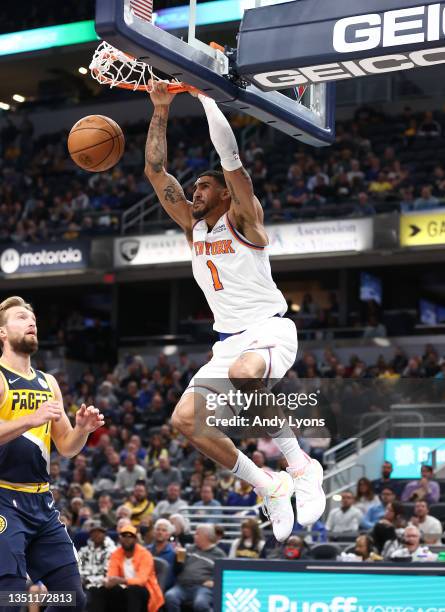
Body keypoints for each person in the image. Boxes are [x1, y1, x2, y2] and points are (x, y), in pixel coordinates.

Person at [144, 82, 325, 542]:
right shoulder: (193, 227)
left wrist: (204, 97)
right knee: (185, 421)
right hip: (226, 342)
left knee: (247, 372)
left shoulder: (244, 218)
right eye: (195, 187)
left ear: (226, 194)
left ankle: (301, 465)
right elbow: (154, 169)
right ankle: (270, 486)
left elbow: (230, 156)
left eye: (204, 186)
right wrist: (162, 108)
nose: (195, 190)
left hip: (269, 329)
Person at [0, 296, 105, 612]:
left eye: (32, 319)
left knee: (72, 598)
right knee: (10, 598)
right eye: (20, 318)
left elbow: (66, 447)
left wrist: (82, 430)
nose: (31, 322)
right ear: (2, 333)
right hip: (4, 498)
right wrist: (30, 419)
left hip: (41, 502)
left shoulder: (49, 383)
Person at [164, 524, 226, 612]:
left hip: (202, 587)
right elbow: (177, 570)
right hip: (182, 586)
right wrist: (178, 558)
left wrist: (214, 582)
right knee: (170, 596)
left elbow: (224, 575)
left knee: (200, 603)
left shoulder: (219, 554)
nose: (194, 536)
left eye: (197, 534)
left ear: (206, 536)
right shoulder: (189, 549)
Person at [104, 523, 164, 612]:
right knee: (110, 590)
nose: (127, 539)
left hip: (146, 590)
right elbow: (112, 575)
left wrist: (121, 580)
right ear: (120, 539)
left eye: (130, 536)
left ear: (135, 539)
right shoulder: (116, 554)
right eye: (124, 536)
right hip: (125, 589)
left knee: (133, 590)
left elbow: (141, 580)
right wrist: (109, 581)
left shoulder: (145, 554)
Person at [78, 520, 116, 612]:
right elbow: (76, 567)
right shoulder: (84, 550)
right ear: (90, 534)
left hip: (100, 585)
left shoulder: (112, 551)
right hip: (81, 583)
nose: (96, 534)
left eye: (99, 532)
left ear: (104, 534)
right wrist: (80, 579)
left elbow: (107, 573)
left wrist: (88, 580)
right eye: (93, 532)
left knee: (92, 592)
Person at [147, 519, 176, 591]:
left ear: (168, 534)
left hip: (164, 588)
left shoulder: (174, 553)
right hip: (147, 585)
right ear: (154, 532)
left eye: (164, 530)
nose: (160, 532)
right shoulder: (146, 550)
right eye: (158, 529)